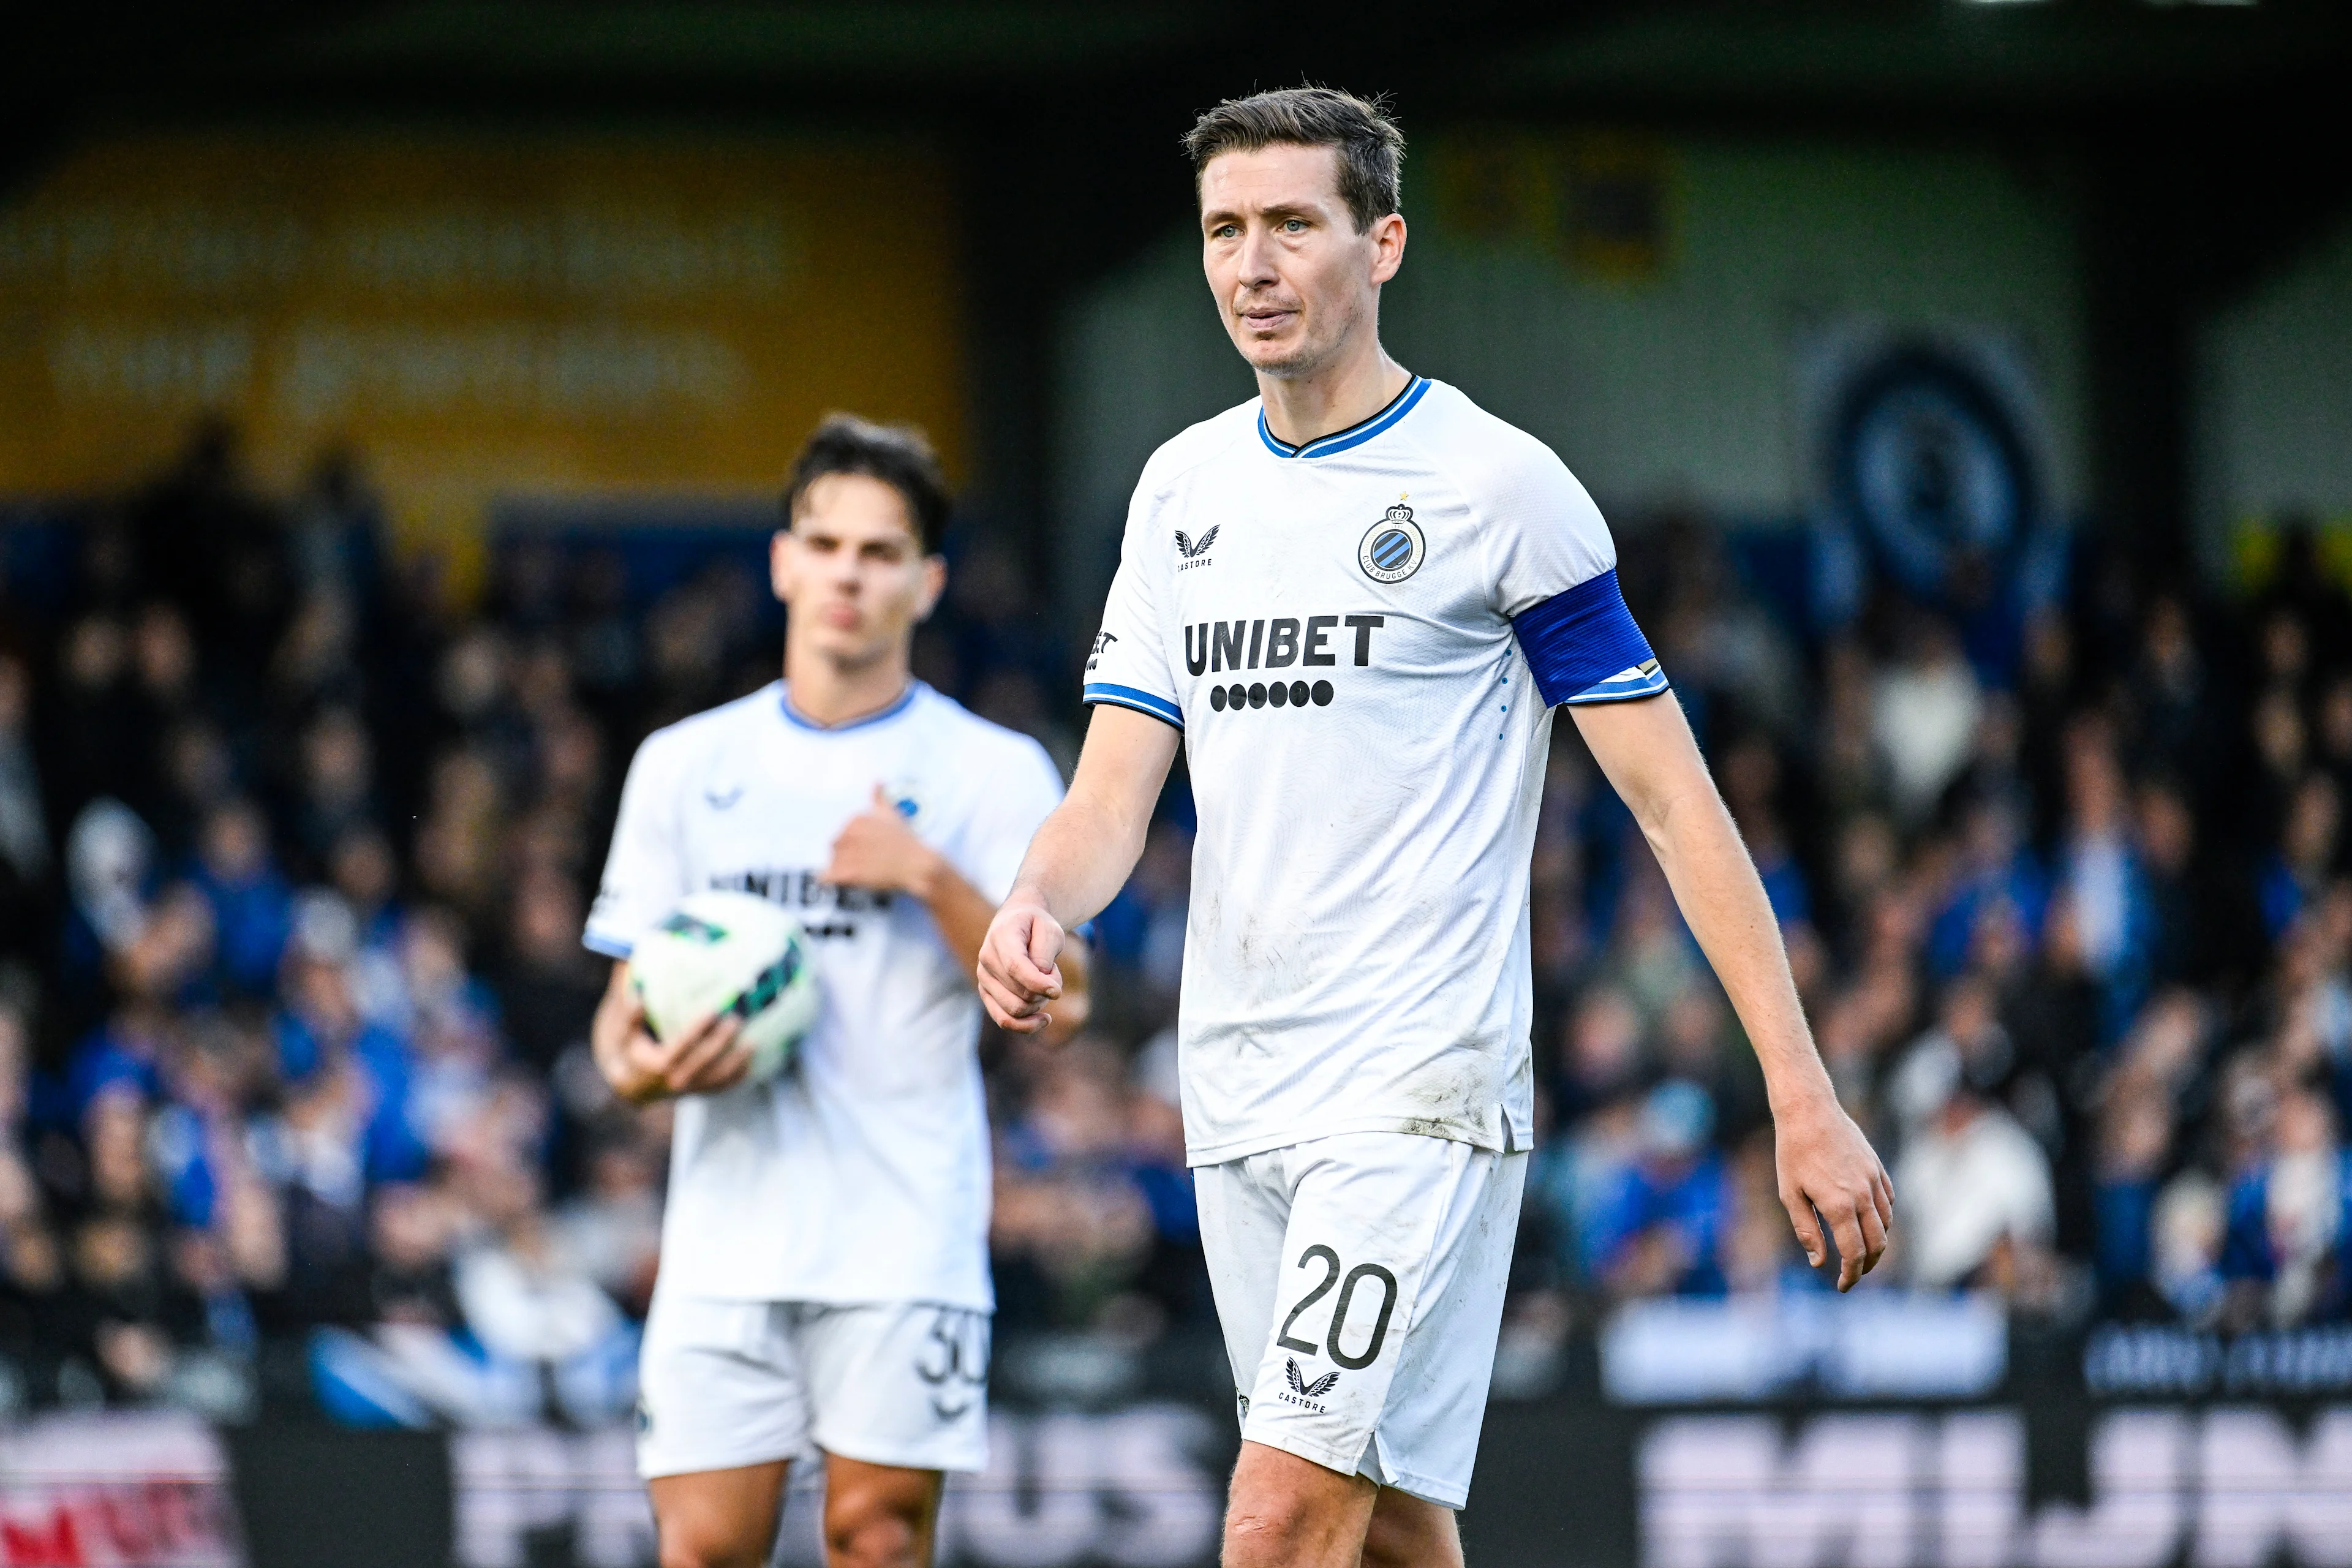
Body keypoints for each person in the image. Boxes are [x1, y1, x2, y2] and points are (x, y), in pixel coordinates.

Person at [976, 88, 1891, 1568]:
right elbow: (1111, 792)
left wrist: (1798, 1088)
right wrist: (1036, 903)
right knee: (1393, 1520)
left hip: (1417, 1092)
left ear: (1383, 241)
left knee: (1278, 1519)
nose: (1252, 264)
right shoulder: (1179, 492)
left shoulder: (1497, 489)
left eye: (1292, 224)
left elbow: (1672, 800)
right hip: (1238, 1089)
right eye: (1224, 230)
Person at [584, 416, 1084, 1568]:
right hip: (724, 1239)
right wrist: (646, 1072)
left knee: (875, 1539)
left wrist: (931, 878)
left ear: (927, 581)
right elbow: (625, 1019)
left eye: (878, 551)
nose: (847, 574)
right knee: (702, 1551)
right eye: (824, 543)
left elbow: (1074, 1004)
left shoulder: (992, 772)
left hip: (903, 1233)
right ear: (782, 562)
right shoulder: (686, 765)